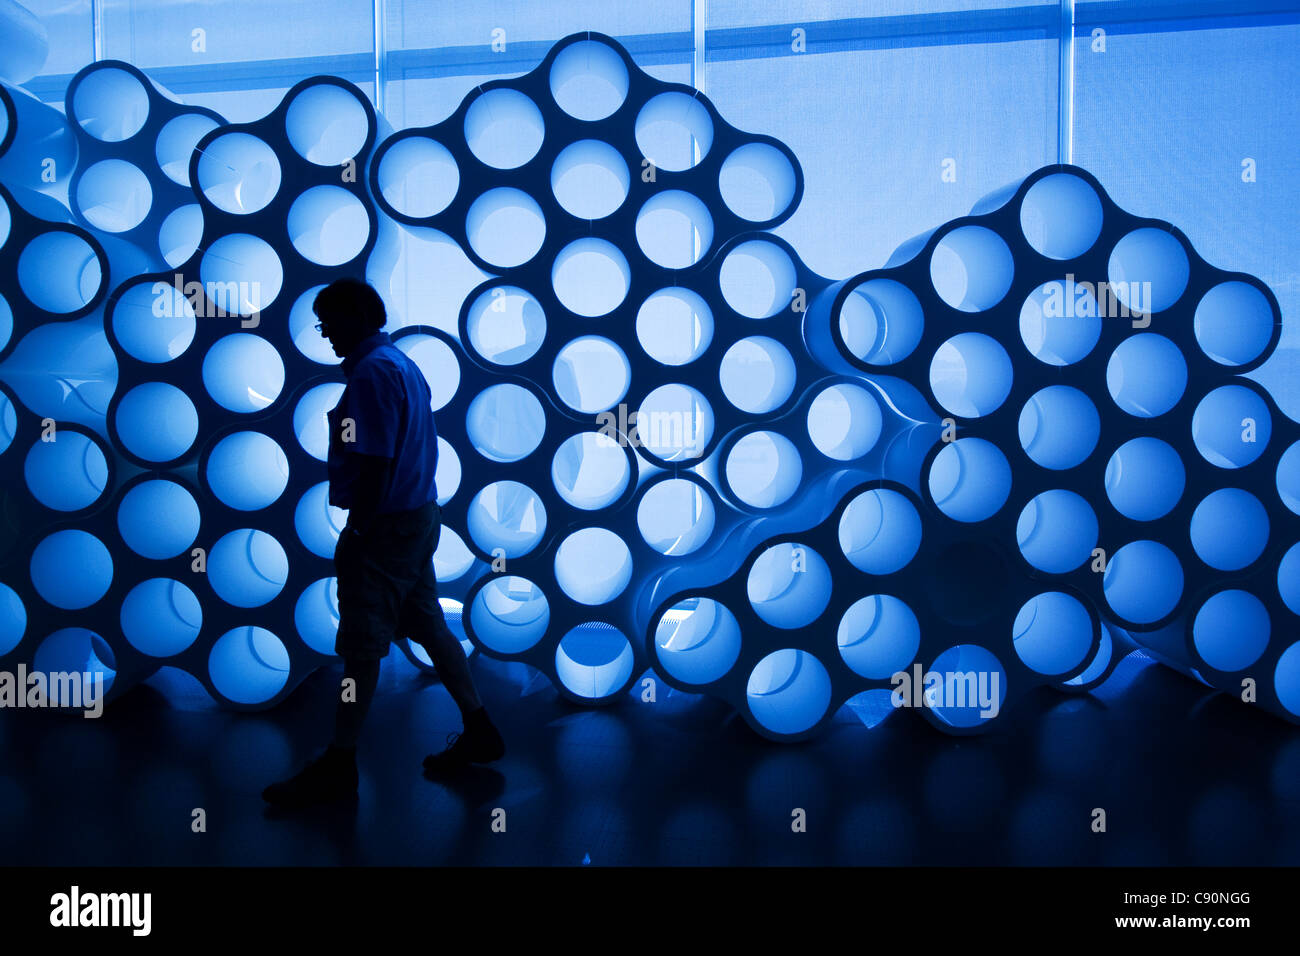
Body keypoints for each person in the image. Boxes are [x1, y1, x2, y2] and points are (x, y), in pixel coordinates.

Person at [263, 278, 504, 810]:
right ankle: (479, 726)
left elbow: (373, 463)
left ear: (354, 316)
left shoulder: (371, 374)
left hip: (385, 530)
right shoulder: (399, 364)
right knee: (427, 624)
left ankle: (340, 761)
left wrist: (356, 533)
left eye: (327, 321)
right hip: (416, 519)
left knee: (360, 649)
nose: (323, 333)